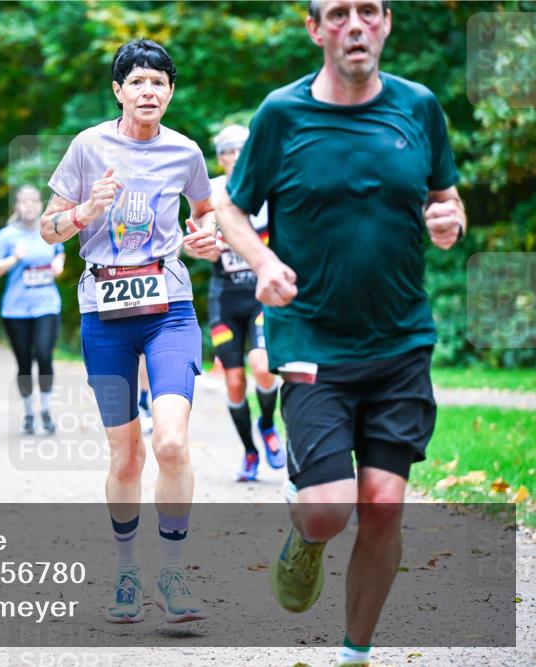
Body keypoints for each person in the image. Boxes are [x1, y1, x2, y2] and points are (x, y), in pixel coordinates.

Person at [214, 2, 466, 665]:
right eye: (338, 14)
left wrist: (448, 220)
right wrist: (264, 262)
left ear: (385, 23)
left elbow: (446, 196)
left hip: (400, 339)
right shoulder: (282, 115)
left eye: (368, 11)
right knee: (328, 510)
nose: (355, 25)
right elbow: (232, 208)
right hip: (311, 340)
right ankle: (307, 537)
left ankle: (355, 651)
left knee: (383, 503)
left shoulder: (419, 109)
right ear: (316, 28)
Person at [40, 39, 220, 624]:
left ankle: (171, 572)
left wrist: (204, 238)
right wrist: (83, 214)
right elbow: (48, 229)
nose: (149, 92)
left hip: (169, 307)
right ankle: (125, 573)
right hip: (105, 316)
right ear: (118, 90)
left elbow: (207, 213)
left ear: (171, 91)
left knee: (170, 442)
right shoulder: (88, 147)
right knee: (126, 456)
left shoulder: (186, 152)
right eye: (137, 82)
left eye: (159, 83)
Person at [207, 124, 285, 482]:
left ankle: (267, 425)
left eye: (239, 149)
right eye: (226, 151)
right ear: (219, 157)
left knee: (264, 366)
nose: (233, 157)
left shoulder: (268, 186)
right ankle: (250, 453)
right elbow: (195, 237)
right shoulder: (211, 190)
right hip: (225, 298)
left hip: (260, 296)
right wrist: (207, 246)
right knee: (235, 382)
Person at [0, 186, 64, 435]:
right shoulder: (7, 235)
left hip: (47, 304)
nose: (29, 206)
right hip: (15, 309)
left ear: (41, 204)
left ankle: (46, 410)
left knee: (44, 355)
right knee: (23, 363)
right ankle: (29, 413)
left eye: (33, 201)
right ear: (17, 207)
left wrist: (58, 263)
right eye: (23, 202)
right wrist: (14, 259)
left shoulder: (50, 230)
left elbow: (60, 253)